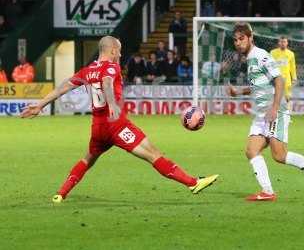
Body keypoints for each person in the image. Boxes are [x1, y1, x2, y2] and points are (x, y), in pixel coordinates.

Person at [21, 36, 218, 203]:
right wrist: (113, 103)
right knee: (154, 155)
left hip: (97, 128)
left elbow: (64, 86)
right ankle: (193, 183)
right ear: (113, 50)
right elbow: (107, 82)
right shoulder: (111, 68)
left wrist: (40, 104)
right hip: (115, 125)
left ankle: (60, 194)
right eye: (120, 51)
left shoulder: (87, 70)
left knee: (87, 159)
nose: (121, 55)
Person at [226, 23, 304, 201]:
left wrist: (275, 108)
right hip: (262, 113)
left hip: (274, 110)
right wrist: (238, 92)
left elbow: (280, 81)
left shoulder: (260, 55)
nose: (238, 43)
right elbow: (258, 86)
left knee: (279, 155)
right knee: (251, 150)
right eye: (236, 40)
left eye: (242, 39)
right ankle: (267, 191)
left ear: (250, 38)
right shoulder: (250, 59)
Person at [270, 37, 297, 102]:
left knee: (287, 98)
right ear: (278, 43)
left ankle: (286, 111)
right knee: (276, 97)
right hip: (276, 78)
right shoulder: (273, 52)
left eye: (284, 42)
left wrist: (294, 77)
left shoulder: (291, 54)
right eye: (281, 42)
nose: (283, 43)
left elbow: (292, 67)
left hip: (287, 79)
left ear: (287, 43)